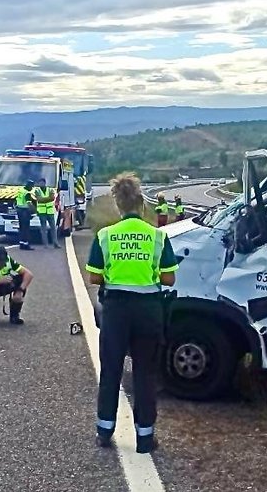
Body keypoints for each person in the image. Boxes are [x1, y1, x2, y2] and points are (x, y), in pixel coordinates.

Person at [85, 172, 178, 454]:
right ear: (140, 203)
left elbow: (94, 278)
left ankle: (104, 430)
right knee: (145, 373)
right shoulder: (157, 236)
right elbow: (168, 279)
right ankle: (146, 438)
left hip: (116, 310)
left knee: (111, 369)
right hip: (149, 310)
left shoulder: (106, 235)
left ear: (118, 204)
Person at [33, 177, 60, 249]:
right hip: (42, 213)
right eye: (39, 183)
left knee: (53, 228)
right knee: (43, 229)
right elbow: (39, 199)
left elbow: (52, 198)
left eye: (42, 182)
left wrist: (44, 199)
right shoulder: (37, 191)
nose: (41, 184)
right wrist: (47, 199)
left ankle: (55, 243)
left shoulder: (50, 189)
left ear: (45, 183)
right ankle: (46, 244)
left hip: (50, 212)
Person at [15, 179, 36, 250]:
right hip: (24, 211)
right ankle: (26, 244)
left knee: (21, 228)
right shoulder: (27, 193)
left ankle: (21, 243)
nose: (32, 188)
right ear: (29, 186)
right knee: (26, 228)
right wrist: (35, 210)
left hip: (19, 210)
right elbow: (29, 204)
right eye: (32, 187)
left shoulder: (21, 190)